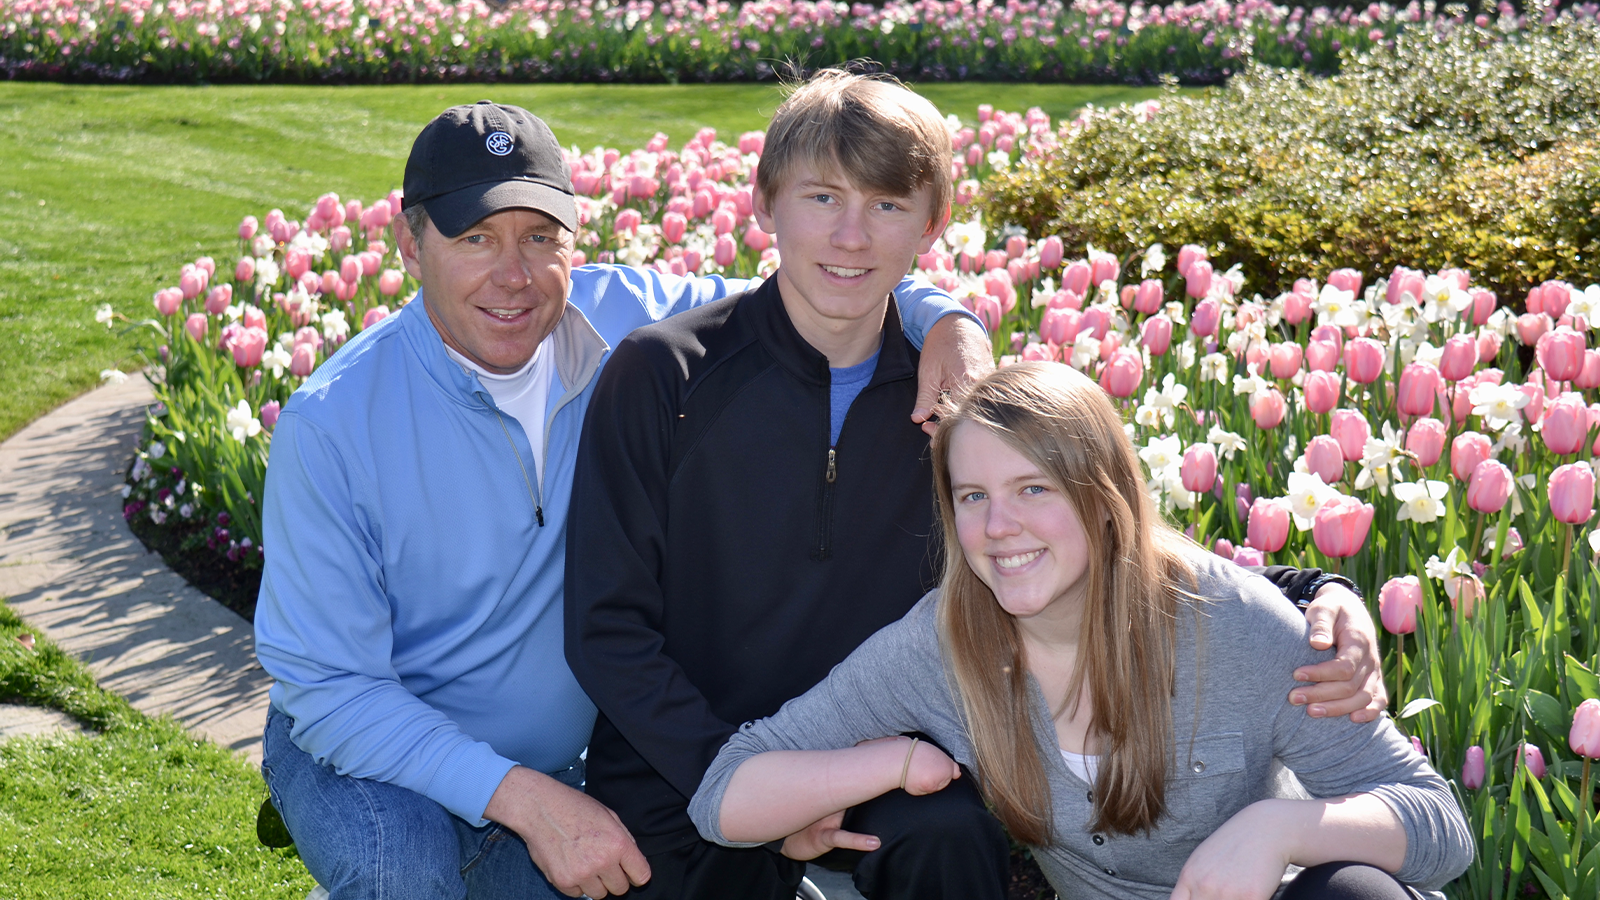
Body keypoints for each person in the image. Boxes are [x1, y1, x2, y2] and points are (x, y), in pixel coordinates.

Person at [565, 71, 1392, 900]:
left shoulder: (957, 410)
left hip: (894, 766)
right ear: (763, 202)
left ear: (932, 224)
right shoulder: (665, 375)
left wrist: (1320, 589)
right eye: (821, 198)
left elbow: (1112, 546)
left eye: (886, 206)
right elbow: (608, 628)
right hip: (689, 767)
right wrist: (766, 785)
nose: (850, 236)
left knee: (953, 835)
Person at [252, 100, 992, 900]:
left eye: (540, 237)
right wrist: (529, 804)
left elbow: (825, 279)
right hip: (377, 746)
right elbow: (334, 689)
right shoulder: (333, 425)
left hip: (569, 761)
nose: (514, 275)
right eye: (476, 239)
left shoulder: (617, 315)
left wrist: (950, 320)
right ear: (409, 242)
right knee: (405, 874)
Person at [687, 361, 1475, 900]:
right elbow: (725, 796)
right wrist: (895, 760)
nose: (1000, 527)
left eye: (1033, 488)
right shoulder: (946, 644)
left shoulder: (1233, 626)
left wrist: (1282, 828)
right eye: (972, 496)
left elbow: (1441, 828)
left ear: (1104, 498)